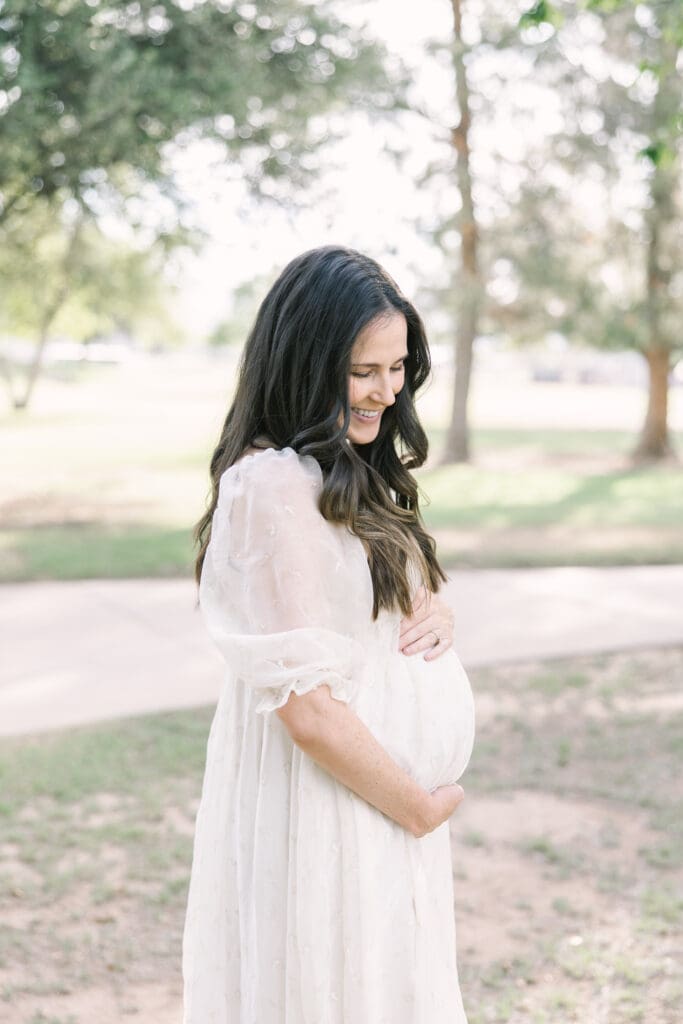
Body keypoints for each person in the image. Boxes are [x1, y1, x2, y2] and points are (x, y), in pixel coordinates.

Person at [182, 245, 476, 1023]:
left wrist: (433, 614)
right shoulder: (274, 483)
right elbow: (305, 708)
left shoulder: (339, 466)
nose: (385, 391)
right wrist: (414, 805)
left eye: (397, 367)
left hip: (372, 801)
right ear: (306, 363)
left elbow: (373, 614)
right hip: (337, 804)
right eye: (362, 370)